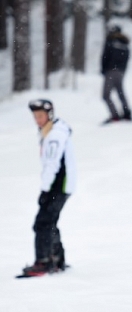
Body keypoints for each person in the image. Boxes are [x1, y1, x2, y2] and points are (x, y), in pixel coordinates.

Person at [22, 100, 77, 277]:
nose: (37, 120)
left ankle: (44, 261)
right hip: (59, 185)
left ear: (49, 115)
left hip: (58, 186)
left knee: (42, 223)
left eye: (40, 116)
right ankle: (57, 259)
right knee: (49, 221)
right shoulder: (51, 131)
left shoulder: (54, 135)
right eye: (35, 117)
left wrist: (45, 190)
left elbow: (52, 164)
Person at [101, 24, 132, 123]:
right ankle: (127, 112)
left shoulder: (110, 42)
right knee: (120, 92)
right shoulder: (124, 43)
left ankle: (115, 115)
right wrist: (122, 69)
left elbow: (105, 56)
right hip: (121, 71)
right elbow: (127, 58)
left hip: (111, 71)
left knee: (106, 95)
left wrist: (104, 69)